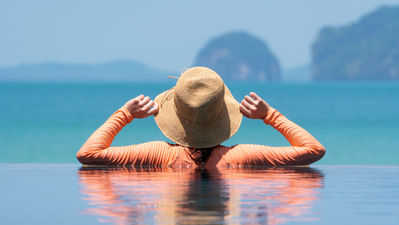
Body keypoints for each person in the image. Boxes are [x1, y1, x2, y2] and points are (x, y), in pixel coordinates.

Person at [76, 67, 325, 168]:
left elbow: (88, 155)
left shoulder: (160, 155)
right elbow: (314, 150)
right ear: (222, 112)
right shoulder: (238, 158)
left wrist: (125, 114)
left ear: (176, 112)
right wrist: (270, 115)